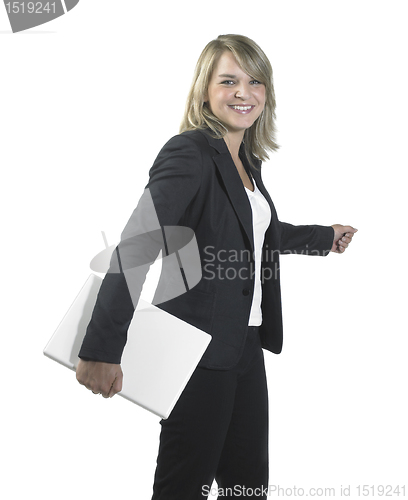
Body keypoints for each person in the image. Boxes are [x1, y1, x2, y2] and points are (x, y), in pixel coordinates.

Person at [76, 34, 357, 499]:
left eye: (255, 81)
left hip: (245, 345)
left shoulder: (246, 161)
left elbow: (256, 234)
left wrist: (323, 238)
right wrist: (103, 348)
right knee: (184, 488)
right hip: (197, 350)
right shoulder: (189, 151)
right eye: (229, 81)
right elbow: (138, 244)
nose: (243, 93)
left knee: (246, 489)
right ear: (205, 89)